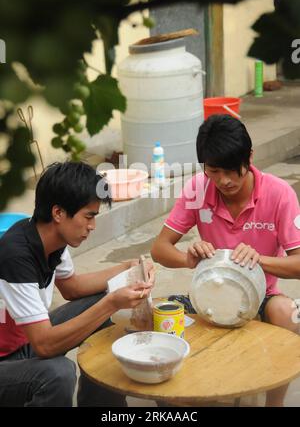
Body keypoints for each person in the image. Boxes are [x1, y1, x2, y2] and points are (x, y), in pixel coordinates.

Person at [151, 114, 300, 407]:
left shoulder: (279, 193)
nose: (224, 181)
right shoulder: (198, 189)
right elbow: (159, 248)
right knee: (155, 315)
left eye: (233, 170)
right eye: (214, 171)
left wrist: (260, 260)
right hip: (207, 294)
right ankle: (179, 400)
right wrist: (188, 259)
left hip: (262, 295)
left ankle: (275, 402)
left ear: (250, 157)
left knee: (287, 311)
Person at [0, 161, 154, 407]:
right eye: (88, 216)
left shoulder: (52, 239)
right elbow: (44, 345)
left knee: (104, 309)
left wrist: (127, 268)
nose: (92, 226)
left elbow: (72, 287)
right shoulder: (15, 255)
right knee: (58, 374)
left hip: (24, 342)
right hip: (7, 360)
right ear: (58, 213)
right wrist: (111, 303)